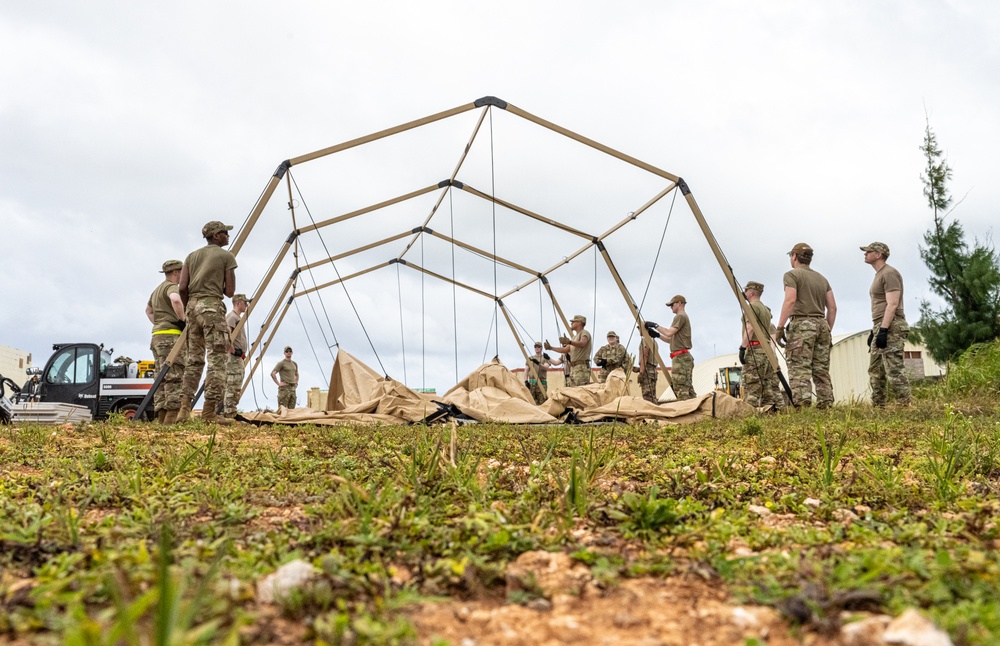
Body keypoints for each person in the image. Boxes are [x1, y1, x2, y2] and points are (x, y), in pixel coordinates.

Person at [177, 221, 238, 425]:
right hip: (212, 306)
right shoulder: (226, 256)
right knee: (217, 360)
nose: (227, 236)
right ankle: (209, 412)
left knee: (194, 360)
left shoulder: (191, 256)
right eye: (224, 233)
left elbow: (182, 287)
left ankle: (184, 409)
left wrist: (189, 309)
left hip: (192, 308)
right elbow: (230, 292)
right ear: (215, 236)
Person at [775, 242, 837, 408]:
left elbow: (790, 300)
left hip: (802, 324)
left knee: (799, 369)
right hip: (822, 324)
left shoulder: (792, 275)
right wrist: (827, 329)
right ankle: (826, 404)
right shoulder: (822, 279)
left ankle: (803, 407)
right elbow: (832, 307)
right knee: (821, 370)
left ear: (794, 256)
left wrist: (780, 328)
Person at [862, 242, 911, 406]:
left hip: (892, 326)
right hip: (881, 324)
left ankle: (904, 405)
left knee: (894, 368)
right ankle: (878, 406)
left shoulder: (889, 273)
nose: (865, 254)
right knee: (876, 369)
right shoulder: (879, 275)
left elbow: (892, 303)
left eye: (868, 251)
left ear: (878, 254)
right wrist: (875, 330)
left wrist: (883, 329)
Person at [145, 260, 187, 424]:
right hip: (171, 336)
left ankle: (162, 416)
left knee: (160, 376)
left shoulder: (156, 291)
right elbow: (176, 300)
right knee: (174, 375)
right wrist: (181, 319)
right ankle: (171, 416)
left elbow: (148, 311)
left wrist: (159, 322)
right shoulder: (171, 287)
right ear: (176, 272)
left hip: (157, 336)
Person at [738, 281, 785, 411]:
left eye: (746, 290)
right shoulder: (764, 309)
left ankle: (749, 416)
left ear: (752, 292)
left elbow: (750, 327)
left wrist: (742, 347)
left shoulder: (751, 307)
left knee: (751, 386)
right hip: (764, 351)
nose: (745, 293)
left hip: (754, 349)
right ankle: (769, 412)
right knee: (766, 387)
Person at [645, 295, 696, 400]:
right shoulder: (682, 317)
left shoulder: (680, 316)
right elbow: (670, 340)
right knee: (687, 388)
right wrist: (657, 335)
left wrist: (655, 325)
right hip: (682, 357)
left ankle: (685, 411)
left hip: (681, 358)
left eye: (673, 304)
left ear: (680, 303)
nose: (671, 307)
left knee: (681, 389)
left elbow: (668, 333)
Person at [545, 314, 593, 387]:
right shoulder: (574, 337)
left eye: (573, 322)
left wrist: (570, 342)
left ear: (579, 323)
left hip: (581, 367)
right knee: (573, 391)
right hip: (574, 368)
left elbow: (582, 343)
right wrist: (551, 347)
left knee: (580, 390)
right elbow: (564, 350)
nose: (571, 323)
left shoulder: (584, 333)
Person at [222, 293, 250, 418]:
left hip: (238, 357)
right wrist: (231, 349)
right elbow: (226, 334)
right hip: (234, 357)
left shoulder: (237, 318)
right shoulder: (232, 317)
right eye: (245, 303)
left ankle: (230, 410)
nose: (246, 305)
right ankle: (229, 412)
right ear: (238, 303)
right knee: (233, 385)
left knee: (235, 384)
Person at [637, 325, 659, 404]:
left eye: (640, 329)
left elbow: (645, 355)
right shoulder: (654, 341)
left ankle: (650, 415)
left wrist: (641, 372)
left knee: (647, 398)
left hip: (647, 370)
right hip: (653, 370)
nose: (639, 331)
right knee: (652, 396)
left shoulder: (645, 339)